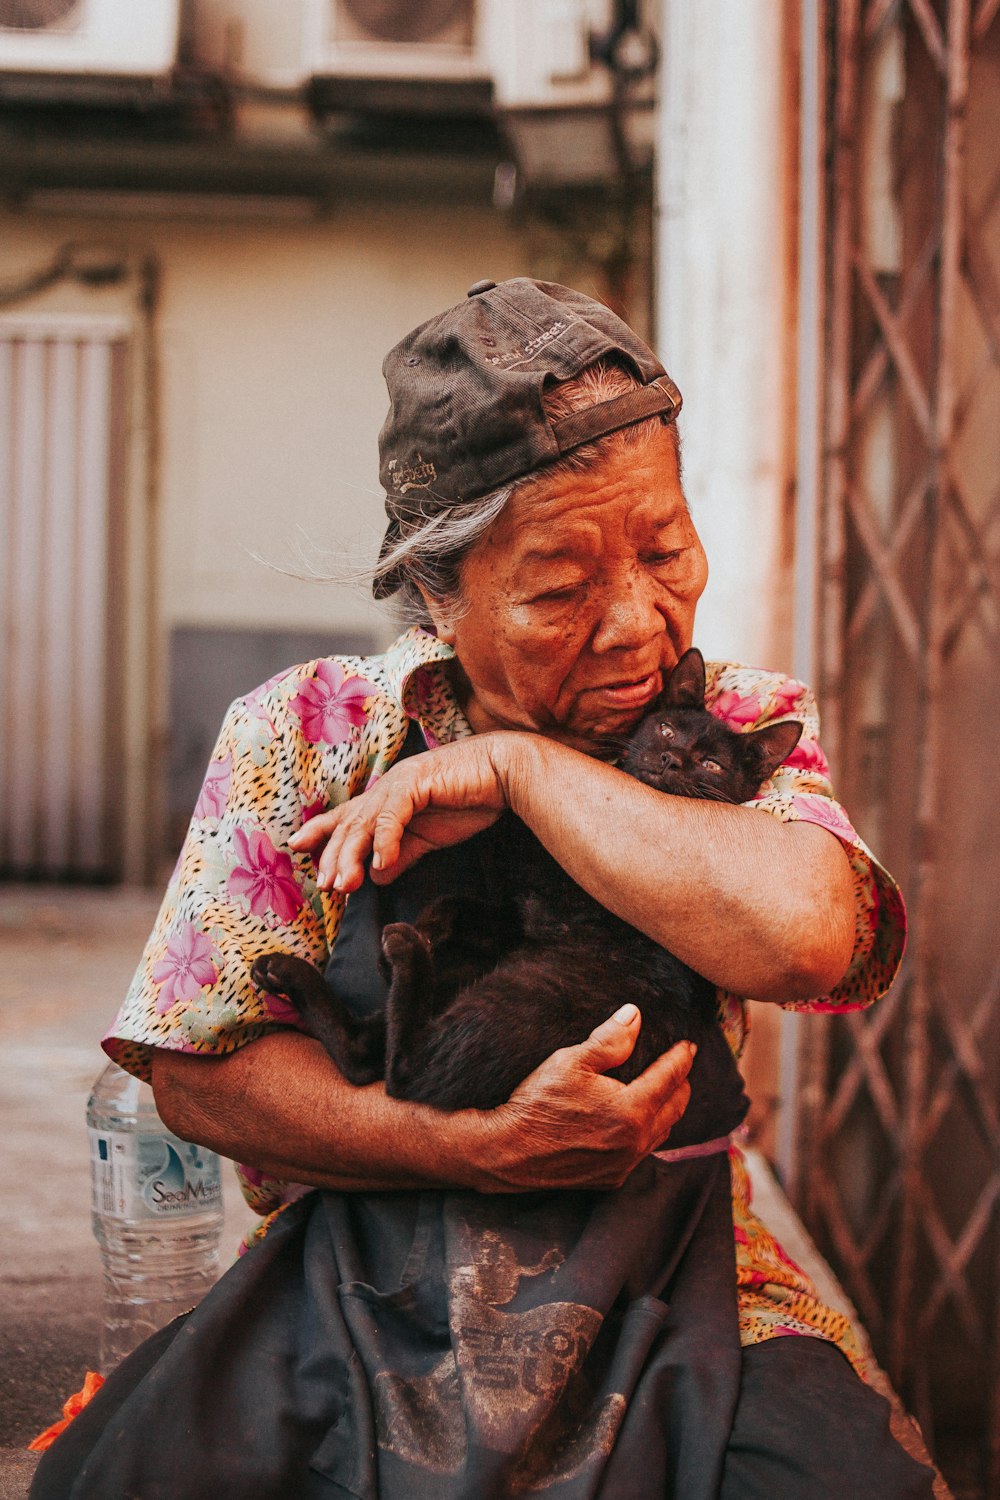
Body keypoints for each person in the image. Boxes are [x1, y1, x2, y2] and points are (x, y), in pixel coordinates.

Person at [31, 278, 932, 1499]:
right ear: (441, 597)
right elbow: (199, 1072)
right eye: (561, 589)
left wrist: (516, 767)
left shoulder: (733, 720)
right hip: (360, 1252)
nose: (635, 625)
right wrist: (458, 1145)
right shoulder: (304, 734)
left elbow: (804, 938)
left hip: (679, 1261)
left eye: (664, 549)